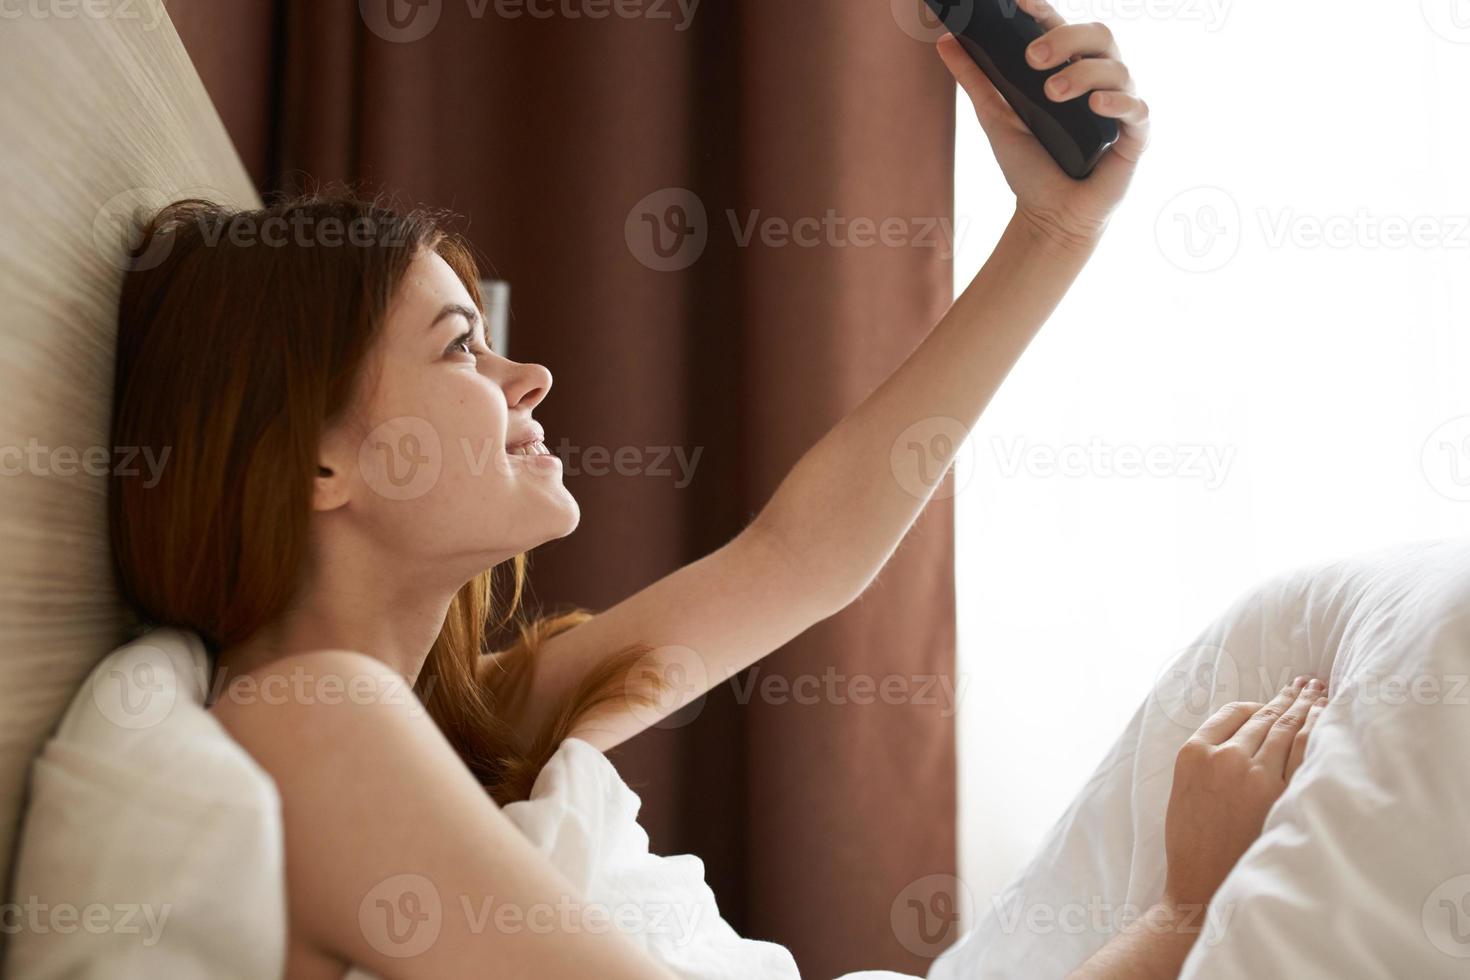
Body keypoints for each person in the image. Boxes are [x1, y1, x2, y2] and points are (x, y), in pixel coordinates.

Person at [106, 1, 1320, 975]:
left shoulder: (461, 715)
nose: (530, 376)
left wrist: (1053, 230)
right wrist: (1181, 910)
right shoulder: (316, 713)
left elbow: (798, 555)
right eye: (458, 345)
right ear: (315, 458)